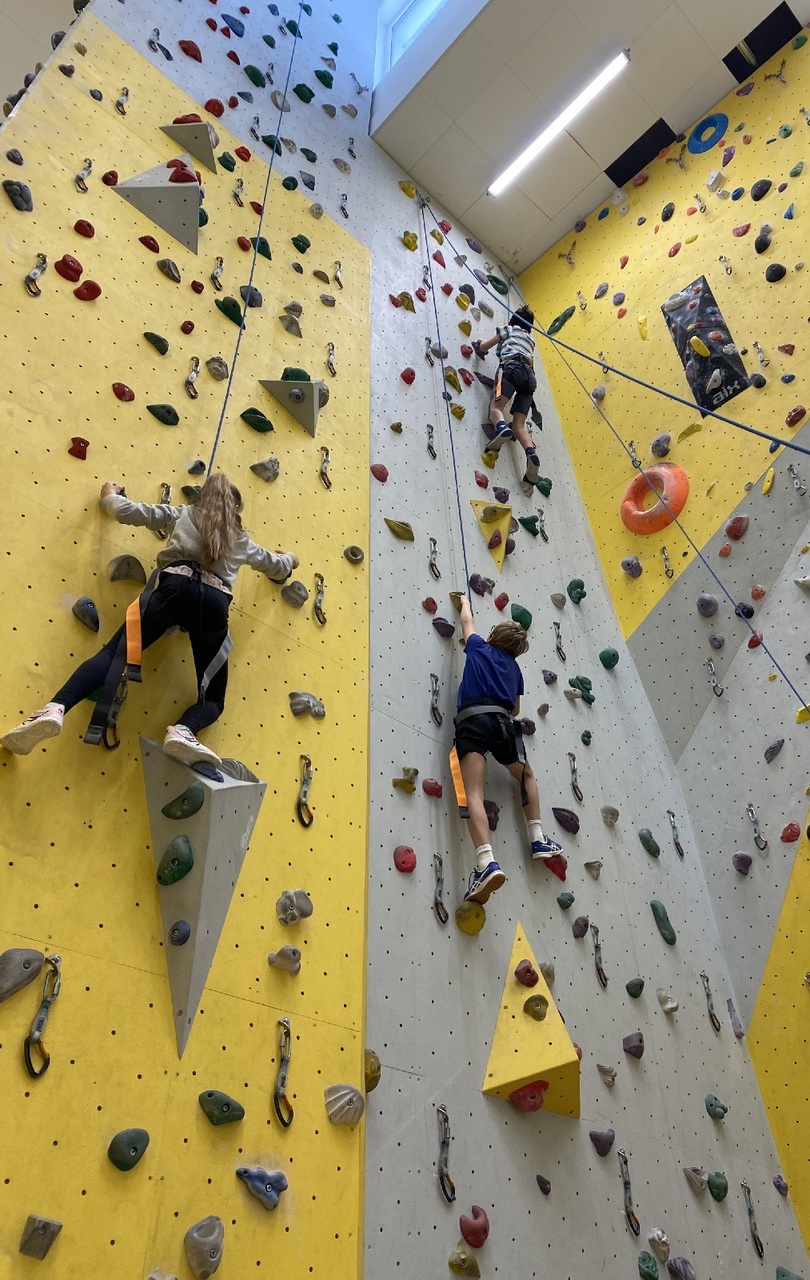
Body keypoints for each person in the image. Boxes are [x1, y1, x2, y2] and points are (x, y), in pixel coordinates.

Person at [1, 474, 298, 766]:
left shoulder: (182, 514)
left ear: (201, 498)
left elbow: (127, 512)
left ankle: (55, 709)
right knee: (213, 699)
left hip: (174, 589)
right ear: (236, 510)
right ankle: (184, 730)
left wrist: (109, 494)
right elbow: (277, 567)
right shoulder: (242, 540)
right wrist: (291, 559)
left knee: (113, 656)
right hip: (214, 603)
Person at [454, 595, 562, 904]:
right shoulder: (515, 670)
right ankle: (537, 838)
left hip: (473, 720)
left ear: (492, 636)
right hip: (502, 725)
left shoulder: (478, 646)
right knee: (526, 776)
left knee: (474, 792)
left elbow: (466, 622)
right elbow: (515, 710)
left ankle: (486, 861)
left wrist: (464, 602)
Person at [473, 305, 541, 484]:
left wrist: (481, 343)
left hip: (511, 368)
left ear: (511, 321)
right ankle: (531, 453)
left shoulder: (509, 329)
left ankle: (501, 427)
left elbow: (485, 346)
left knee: (496, 409)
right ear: (529, 329)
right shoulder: (529, 340)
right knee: (519, 426)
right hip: (530, 377)